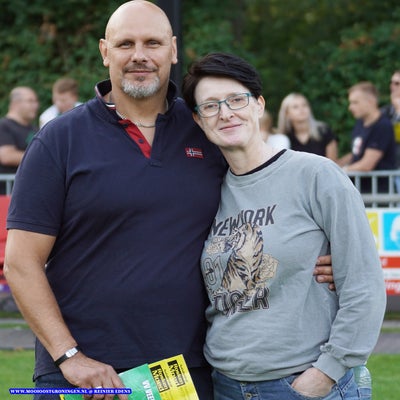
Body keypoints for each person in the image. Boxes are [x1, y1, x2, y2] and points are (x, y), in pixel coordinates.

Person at [3, 2, 334, 400]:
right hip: (83, 375)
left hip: (185, 372)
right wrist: (69, 355)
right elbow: (21, 263)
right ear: (105, 51)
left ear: (173, 50)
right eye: (126, 44)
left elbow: (264, 206)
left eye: (152, 43)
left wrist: (320, 255)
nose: (139, 55)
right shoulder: (60, 140)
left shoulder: (206, 129)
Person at [182, 52, 386, 400]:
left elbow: (363, 283)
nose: (225, 113)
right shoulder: (208, 193)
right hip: (226, 385)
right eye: (211, 106)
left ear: (259, 105)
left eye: (236, 99)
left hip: (303, 384)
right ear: (199, 121)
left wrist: (327, 371)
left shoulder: (316, 175)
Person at [338, 81, 396, 193]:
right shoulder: (360, 122)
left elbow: (367, 164)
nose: (350, 107)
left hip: (379, 193)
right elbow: (357, 153)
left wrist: (340, 171)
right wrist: (336, 164)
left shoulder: (382, 125)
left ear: (371, 101)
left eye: (355, 102)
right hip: (361, 190)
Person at [277, 92, 338, 161]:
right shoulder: (283, 139)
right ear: (287, 114)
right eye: (295, 107)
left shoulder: (324, 131)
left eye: (304, 105)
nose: (301, 109)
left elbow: (332, 163)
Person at [0, 86, 39, 193]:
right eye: (30, 101)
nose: (35, 105)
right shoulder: (4, 126)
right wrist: (41, 157)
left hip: (29, 191)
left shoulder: (35, 128)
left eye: (36, 101)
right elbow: (7, 156)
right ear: (15, 104)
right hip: (8, 194)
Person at [381, 70, 400, 167]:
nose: (392, 86)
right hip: (390, 166)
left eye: (397, 83)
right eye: (391, 83)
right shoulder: (385, 111)